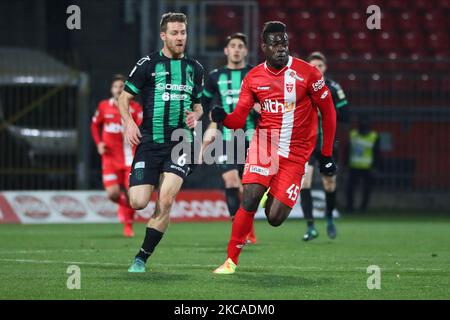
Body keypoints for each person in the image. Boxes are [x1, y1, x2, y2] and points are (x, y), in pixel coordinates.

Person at [211, 21, 337, 274]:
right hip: (264, 145)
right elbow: (238, 118)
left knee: (275, 218)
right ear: (264, 47)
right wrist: (222, 118)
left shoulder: (308, 73)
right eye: (275, 44)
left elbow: (329, 113)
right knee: (249, 197)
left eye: (285, 43)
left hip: (296, 154)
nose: (281, 48)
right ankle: (230, 261)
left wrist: (326, 155)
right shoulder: (254, 77)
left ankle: (272, 192)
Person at [118, 12, 204, 273]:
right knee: (138, 202)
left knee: (165, 201)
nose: (180, 37)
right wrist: (129, 122)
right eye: (175, 33)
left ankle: (141, 257)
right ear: (163, 36)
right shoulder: (147, 64)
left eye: (183, 32)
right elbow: (123, 98)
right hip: (150, 142)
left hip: (181, 143)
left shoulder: (195, 69)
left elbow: (198, 106)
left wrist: (197, 114)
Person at [201, 32, 259, 244]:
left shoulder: (255, 73)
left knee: (249, 188)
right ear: (226, 50)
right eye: (232, 45)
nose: (236, 49)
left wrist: (259, 107)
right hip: (226, 137)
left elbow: (267, 101)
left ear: (245, 50)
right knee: (231, 180)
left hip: (251, 136)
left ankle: (247, 226)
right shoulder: (216, 76)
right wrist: (209, 119)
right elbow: (204, 102)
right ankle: (238, 229)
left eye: (240, 46)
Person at [301, 52, 350, 241]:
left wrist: (330, 110)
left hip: (327, 144)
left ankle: (329, 216)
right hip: (307, 144)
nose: (316, 69)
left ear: (325, 68)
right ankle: (310, 226)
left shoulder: (333, 87)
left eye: (319, 66)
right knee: (304, 182)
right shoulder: (302, 87)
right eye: (312, 66)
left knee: (329, 184)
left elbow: (346, 115)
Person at [90, 74, 142, 237]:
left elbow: (141, 130)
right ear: (111, 89)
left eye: (122, 86)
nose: (119, 89)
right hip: (110, 158)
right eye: (116, 86)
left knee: (132, 195)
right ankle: (123, 206)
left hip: (129, 158)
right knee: (112, 194)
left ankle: (128, 225)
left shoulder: (135, 108)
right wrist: (99, 143)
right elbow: (94, 125)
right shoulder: (104, 106)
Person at [346, 116, 380, 212]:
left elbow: (377, 153)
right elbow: (347, 150)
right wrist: (346, 165)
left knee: (367, 189)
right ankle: (350, 207)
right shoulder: (353, 134)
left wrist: (375, 167)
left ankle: (363, 208)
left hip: (368, 168)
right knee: (350, 188)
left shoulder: (374, 136)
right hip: (354, 167)